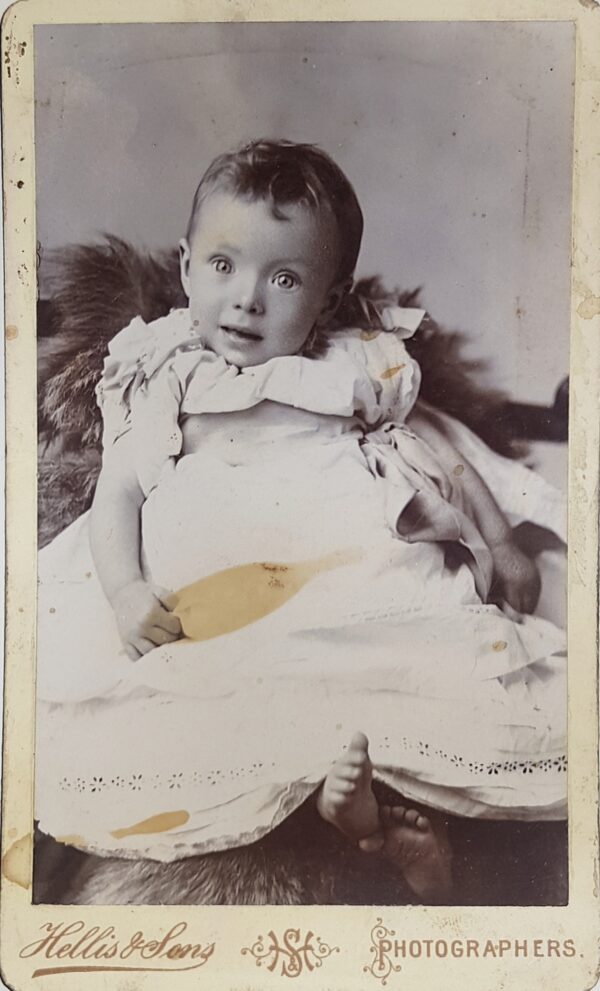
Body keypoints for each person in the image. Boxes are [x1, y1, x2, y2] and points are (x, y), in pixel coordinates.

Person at [36, 139, 567, 903]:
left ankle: (375, 818)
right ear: (186, 268)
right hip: (227, 560)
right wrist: (123, 590)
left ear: (328, 297)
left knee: (405, 659)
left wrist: (500, 541)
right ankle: (339, 813)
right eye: (223, 266)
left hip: (348, 543)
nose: (247, 297)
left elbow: (439, 458)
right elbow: (116, 492)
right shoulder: (170, 368)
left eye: (283, 278)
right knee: (227, 683)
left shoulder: (357, 360)